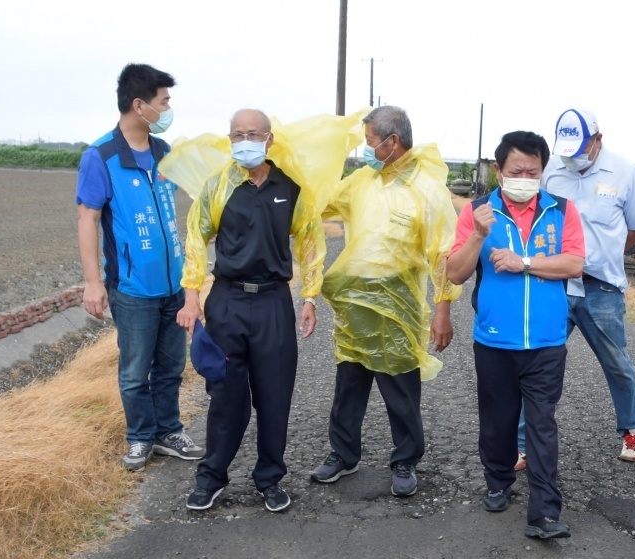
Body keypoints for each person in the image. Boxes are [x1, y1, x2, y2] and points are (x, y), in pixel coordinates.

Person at [173, 109, 331, 513]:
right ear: (230, 140)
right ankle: (211, 478)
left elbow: (311, 242)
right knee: (225, 395)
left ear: (269, 140)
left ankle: (270, 479)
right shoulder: (218, 186)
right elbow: (195, 239)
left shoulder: (292, 189)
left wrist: (310, 297)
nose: (244, 141)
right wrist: (191, 294)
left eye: (252, 134)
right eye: (237, 134)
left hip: (274, 302)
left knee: (274, 397)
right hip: (226, 301)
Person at [309, 106, 462, 497]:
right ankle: (342, 454)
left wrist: (442, 309)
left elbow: (443, 254)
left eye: (370, 142)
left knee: (401, 389)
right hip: (355, 308)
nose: (366, 150)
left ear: (392, 142)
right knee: (349, 385)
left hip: (399, 309)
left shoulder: (426, 191)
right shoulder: (361, 181)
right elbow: (316, 206)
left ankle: (406, 459)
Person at [446, 131, 585, 540]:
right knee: (497, 421)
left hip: (546, 342)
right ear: (498, 171)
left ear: (543, 170)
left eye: (533, 171)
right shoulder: (477, 212)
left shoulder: (561, 210)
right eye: (516, 171)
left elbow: (574, 264)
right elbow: (454, 273)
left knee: (542, 424)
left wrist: (525, 262)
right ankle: (498, 479)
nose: (525, 178)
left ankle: (543, 513)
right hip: (494, 341)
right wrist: (477, 236)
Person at [75, 63, 204, 472]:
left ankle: (168, 431)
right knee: (134, 371)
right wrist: (93, 282)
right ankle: (139, 438)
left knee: (170, 367)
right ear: (139, 105)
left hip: (173, 284)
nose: (168, 108)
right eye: (163, 101)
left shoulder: (165, 153)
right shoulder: (101, 157)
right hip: (132, 287)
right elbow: (88, 219)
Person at [512, 108, 635, 468]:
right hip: (555, 284)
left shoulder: (625, 174)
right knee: (537, 363)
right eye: (567, 150)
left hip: (600, 289)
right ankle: (522, 442)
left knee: (616, 363)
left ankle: (633, 429)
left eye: (579, 149)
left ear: (597, 140)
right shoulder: (552, 172)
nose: (572, 157)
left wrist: (609, 252)